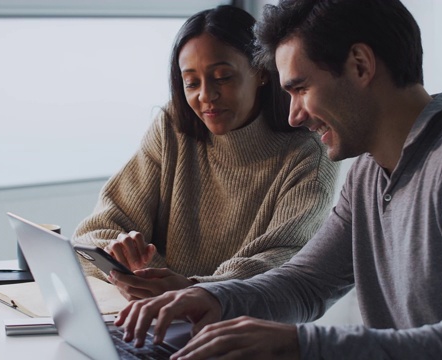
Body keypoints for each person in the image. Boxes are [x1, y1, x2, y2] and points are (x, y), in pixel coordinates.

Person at [114, 0, 442, 359]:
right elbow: (307, 282)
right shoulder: (369, 170)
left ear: (360, 65)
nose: (293, 114)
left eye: (300, 88)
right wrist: (214, 299)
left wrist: (301, 344)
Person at [71, 5, 339, 301]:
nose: (205, 96)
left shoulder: (308, 154)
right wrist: (121, 255)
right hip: (159, 315)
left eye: (223, 77)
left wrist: (189, 288)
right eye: (191, 83)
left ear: (261, 72)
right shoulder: (173, 126)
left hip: (242, 327)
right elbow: (91, 234)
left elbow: (279, 263)